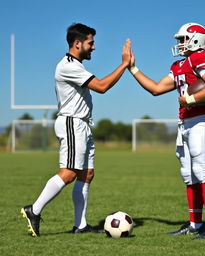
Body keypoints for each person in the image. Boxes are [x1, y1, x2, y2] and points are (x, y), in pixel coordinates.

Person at [21, 23, 131, 237]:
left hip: (82, 125)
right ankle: (33, 210)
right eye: (91, 43)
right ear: (77, 43)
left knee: (87, 174)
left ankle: (80, 225)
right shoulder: (67, 65)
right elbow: (101, 87)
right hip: (72, 123)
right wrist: (124, 64)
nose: (94, 47)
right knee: (69, 173)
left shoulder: (77, 65)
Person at [128, 22, 205, 239]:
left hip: (201, 119)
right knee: (189, 175)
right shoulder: (180, 65)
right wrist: (132, 68)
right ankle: (195, 224)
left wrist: (190, 99)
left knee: (202, 171)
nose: (180, 44)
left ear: (194, 39)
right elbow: (155, 88)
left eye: (182, 39)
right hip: (186, 122)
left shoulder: (203, 57)